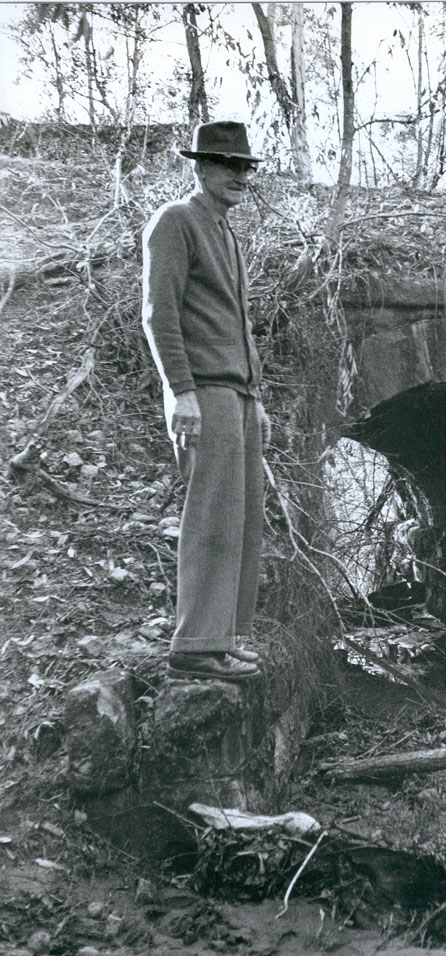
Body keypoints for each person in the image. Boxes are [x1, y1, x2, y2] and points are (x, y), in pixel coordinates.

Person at [142, 121, 271, 681]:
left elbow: (238, 324)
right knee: (212, 514)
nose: (240, 175)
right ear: (200, 168)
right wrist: (181, 391)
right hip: (206, 392)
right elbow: (159, 313)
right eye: (227, 165)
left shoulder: (226, 232)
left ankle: (224, 636)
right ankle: (195, 644)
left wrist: (256, 393)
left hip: (237, 393)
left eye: (246, 167)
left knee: (242, 516)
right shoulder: (176, 221)